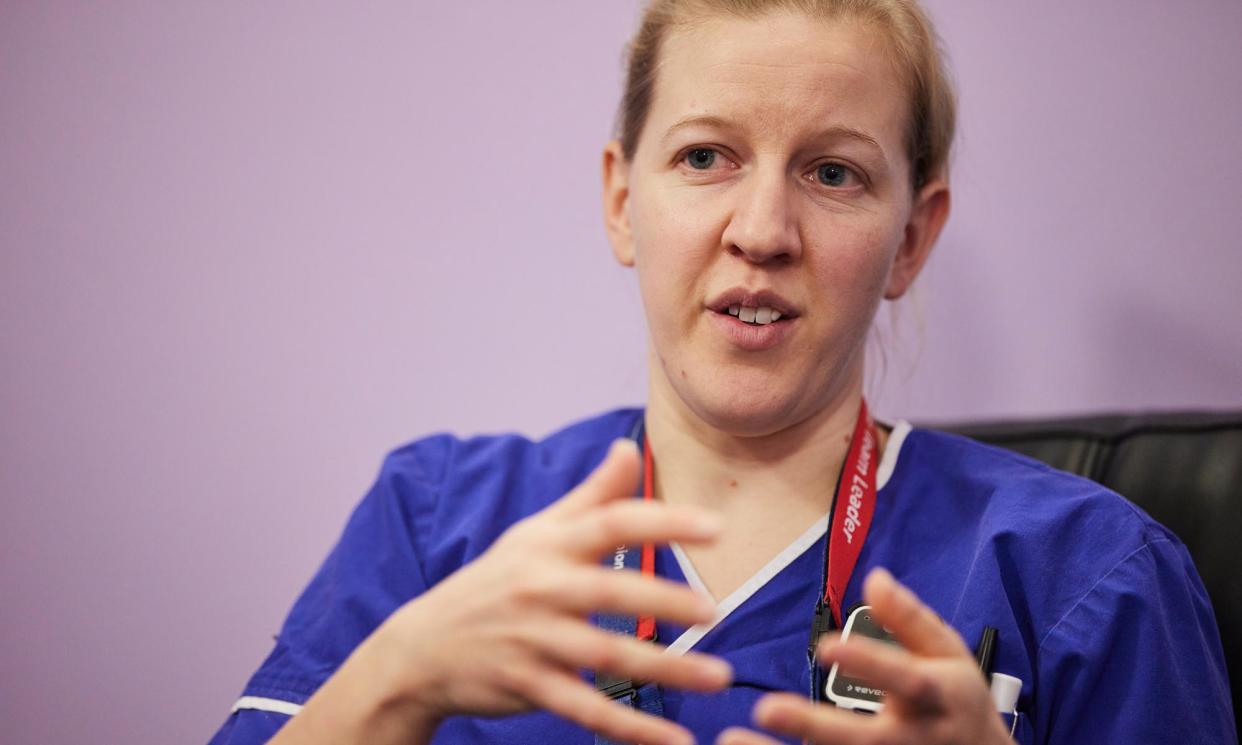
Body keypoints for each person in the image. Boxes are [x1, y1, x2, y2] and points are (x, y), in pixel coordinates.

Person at [208, 1, 1235, 743]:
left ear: (912, 238)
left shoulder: (1090, 575)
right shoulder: (439, 526)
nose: (762, 231)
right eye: (706, 157)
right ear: (622, 201)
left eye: (833, 173)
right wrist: (396, 680)